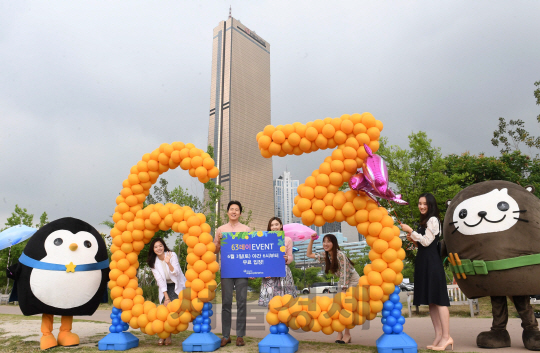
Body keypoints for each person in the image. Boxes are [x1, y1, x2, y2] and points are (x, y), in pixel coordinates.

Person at [400, 193, 452, 351]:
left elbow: (428, 241)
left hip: (432, 264)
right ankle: (438, 335)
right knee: (431, 301)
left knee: (440, 300)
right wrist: (413, 240)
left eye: (425, 204)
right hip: (424, 263)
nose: (421, 206)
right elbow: (423, 245)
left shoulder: (433, 220)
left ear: (431, 205)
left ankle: (446, 337)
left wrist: (411, 231)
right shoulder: (424, 221)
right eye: (419, 203)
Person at [307, 233, 360, 344]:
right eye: (324, 241)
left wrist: (344, 289)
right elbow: (309, 254)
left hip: (353, 281)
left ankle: (347, 334)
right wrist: (311, 240)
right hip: (342, 281)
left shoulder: (340, 255)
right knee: (338, 308)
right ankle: (339, 333)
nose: (325, 244)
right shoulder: (326, 256)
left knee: (346, 307)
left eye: (328, 241)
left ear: (334, 243)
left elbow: (345, 273)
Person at [213, 200, 251, 347]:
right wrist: (218, 241)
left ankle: (240, 336)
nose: (234, 211)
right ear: (227, 212)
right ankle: (226, 335)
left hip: (242, 270)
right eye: (231, 209)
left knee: (242, 302)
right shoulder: (221, 229)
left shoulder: (246, 229)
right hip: (227, 270)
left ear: (240, 213)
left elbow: (250, 250)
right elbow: (215, 250)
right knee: (226, 303)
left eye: (237, 209)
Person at [147, 237, 186, 346]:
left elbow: (177, 273)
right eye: (156, 247)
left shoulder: (171, 255)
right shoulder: (153, 262)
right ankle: (165, 336)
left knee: (172, 310)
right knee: (164, 310)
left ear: (164, 246)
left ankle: (168, 334)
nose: (158, 248)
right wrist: (166, 297)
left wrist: (168, 263)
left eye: (160, 246)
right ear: (153, 249)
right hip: (164, 287)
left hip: (176, 284)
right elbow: (159, 280)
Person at [258, 217, 297, 307]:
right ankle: (272, 320)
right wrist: (264, 270)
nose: (274, 227)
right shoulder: (265, 239)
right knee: (271, 302)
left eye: (276, 224)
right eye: (272, 225)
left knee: (285, 301)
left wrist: (287, 258)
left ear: (281, 226)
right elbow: (262, 257)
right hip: (269, 272)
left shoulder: (287, 240)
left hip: (283, 272)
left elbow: (291, 257)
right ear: (269, 227)